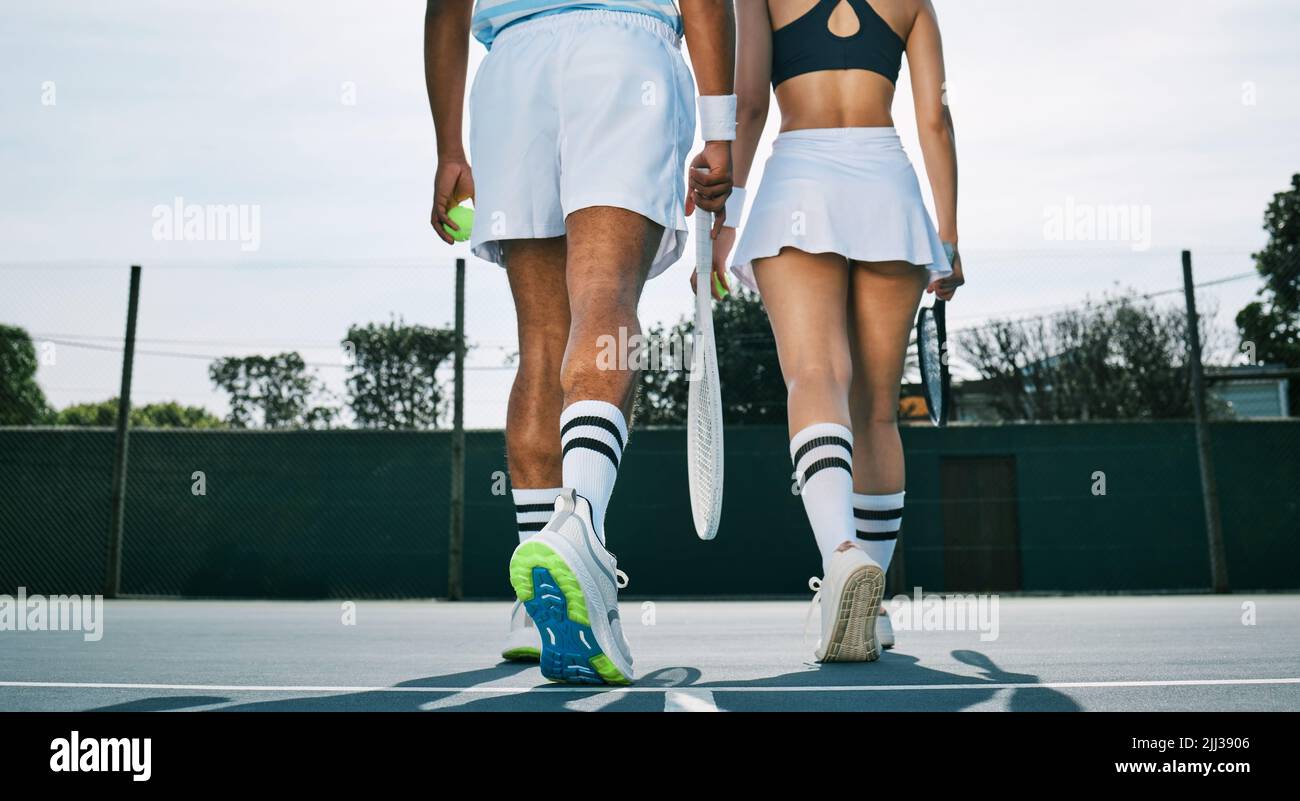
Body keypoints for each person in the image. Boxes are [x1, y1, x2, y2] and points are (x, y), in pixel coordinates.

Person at [425, 0, 735, 685]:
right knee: (604, 294)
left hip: (513, 69)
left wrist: (449, 146)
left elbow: (446, 5)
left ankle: (533, 601)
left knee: (540, 341)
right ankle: (580, 528)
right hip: (624, 53)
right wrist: (721, 134)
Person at [710, 0, 964, 662]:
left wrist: (728, 217)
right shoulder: (915, 4)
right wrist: (950, 233)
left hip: (800, 176)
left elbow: (751, 107)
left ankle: (841, 556)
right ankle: (871, 604)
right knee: (878, 408)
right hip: (890, 181)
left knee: (816, 375)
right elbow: (934, 117)